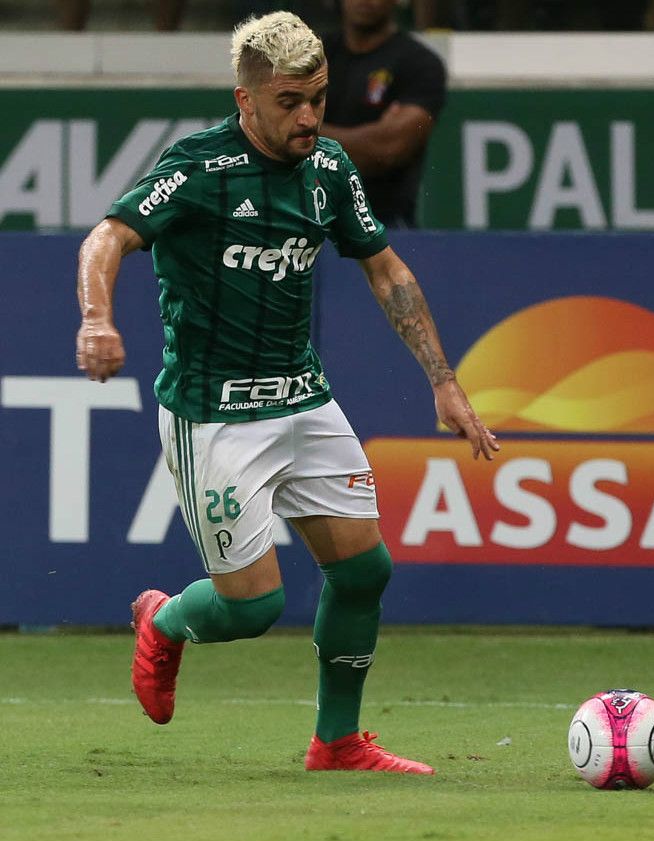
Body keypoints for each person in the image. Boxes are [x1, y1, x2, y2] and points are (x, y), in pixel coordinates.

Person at [75, 11, 499, 774]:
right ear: (246, 100)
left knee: (365, 571)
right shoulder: (197, 170)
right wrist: (97, 320)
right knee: (252, 607)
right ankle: (165, 620)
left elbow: (386, 270)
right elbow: (107, 236)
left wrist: (445, 383)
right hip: (215, 412)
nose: (309, 117)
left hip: (302, 398)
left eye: (318, 98)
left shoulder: (330, 168)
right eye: (289, 102)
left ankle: (336, 742)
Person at [320, 0, 448, 228]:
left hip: (382, 220)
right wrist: (369, 137)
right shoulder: (316, 55)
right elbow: (273, 128)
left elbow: (387, 149)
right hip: (310, 214)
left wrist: (306, 133)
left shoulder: (420, 64)